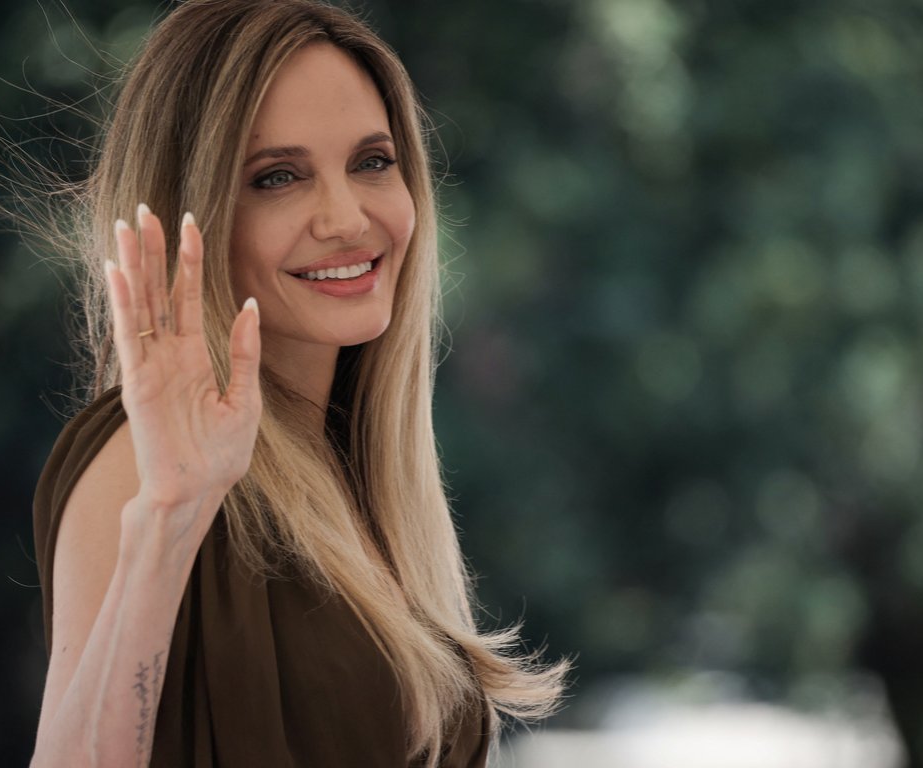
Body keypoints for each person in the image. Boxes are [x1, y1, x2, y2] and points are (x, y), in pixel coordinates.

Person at [28, 1, 568, 766]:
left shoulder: (353, 472)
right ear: (193, 216)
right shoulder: (145, 462)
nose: (345, 218)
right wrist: (172, 511)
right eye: (277, 177)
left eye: (372, 162)